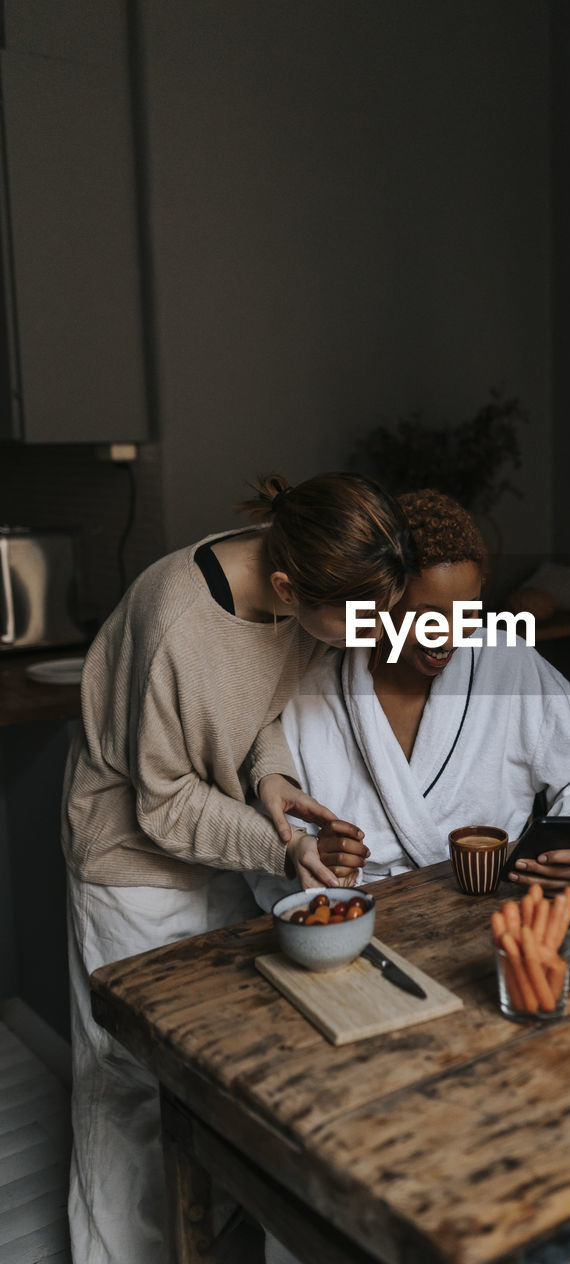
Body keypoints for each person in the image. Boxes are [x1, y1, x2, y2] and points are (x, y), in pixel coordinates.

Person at [61, 471, 417, 1264]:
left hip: (215, 843)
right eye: (354, 621)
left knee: (208, 1075)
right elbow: (162, 804)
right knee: (126, 1080)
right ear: (289, 587)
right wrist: (281, 847)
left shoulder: (296, 583)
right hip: (131, 868)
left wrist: (272, 781)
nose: (367, 636)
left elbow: (253, 713)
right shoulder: (177, 624)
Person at [248, 489, 570, 908]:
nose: (449, 636)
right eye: (428, 615)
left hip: (495, 906)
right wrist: (315, 861)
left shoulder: (508, 664)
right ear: (384, 599)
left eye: (468, 610)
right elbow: (269, 831)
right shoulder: (310, 689)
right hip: (359, 916)